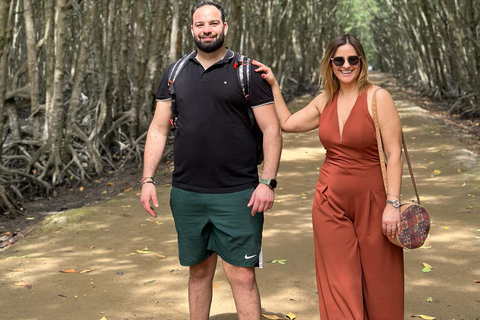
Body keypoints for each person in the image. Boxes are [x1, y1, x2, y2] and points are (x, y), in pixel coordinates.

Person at [140, 1, 282, 319]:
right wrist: (147, 179)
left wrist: (267, 181)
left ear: (225, 27)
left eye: (213, 24)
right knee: (199, 273)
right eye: (200, 25)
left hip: (239, 194)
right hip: (187, 193)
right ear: (192, 29)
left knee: (242, 276)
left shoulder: (247, 72)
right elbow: (159, 128)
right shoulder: (175, 73)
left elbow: (272, 127)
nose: (207, 30)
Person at [254, 34, 404, 319]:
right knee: (338, 281)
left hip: (373, 200)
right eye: (339, 60)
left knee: (380, 279)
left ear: (361, 62)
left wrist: (392, 204)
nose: (346, 65)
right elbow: (286, 123)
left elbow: (393, 155)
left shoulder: (378, 98)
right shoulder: (325, 100)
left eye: (352, 59)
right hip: (329, 200)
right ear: (330, 63)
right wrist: (273, 85)